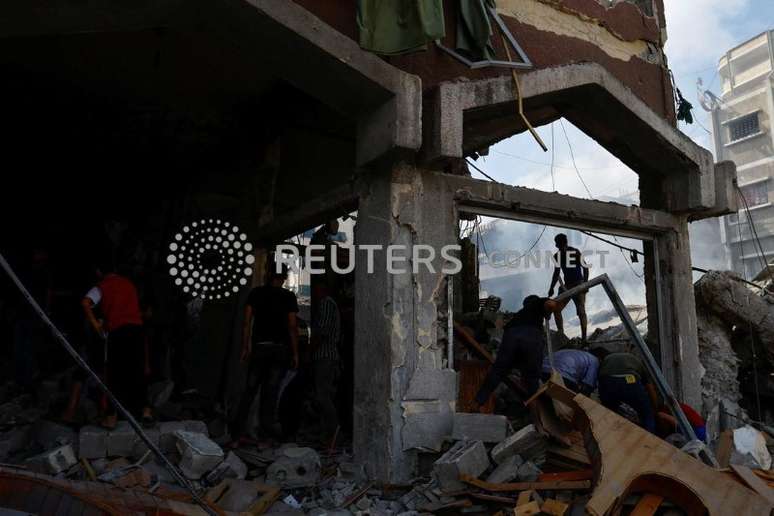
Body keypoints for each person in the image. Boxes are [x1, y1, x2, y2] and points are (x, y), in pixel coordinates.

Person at [81, 258, 151, 429]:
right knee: (137, 370)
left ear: (98, 272)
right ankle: (146, 411)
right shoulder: (129, 284)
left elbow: (85, 303)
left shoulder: (103, 286)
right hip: (137, 330)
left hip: (118, 331)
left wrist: (96, 324)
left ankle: (111, 417)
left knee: (114, 373)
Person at [233, 263, 299, 442]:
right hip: (279, 350)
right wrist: (295, 353)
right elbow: (292, 326)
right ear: (284, 278)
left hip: (260, 348)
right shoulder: (288, 297)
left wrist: (245, 347)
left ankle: (237, 435)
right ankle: (265, 437)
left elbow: (246, 323)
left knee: (250, 391)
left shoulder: (255, 293)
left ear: (268, 274)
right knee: (270, 394)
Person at [474, 294, 569, 407]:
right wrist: (548, 314)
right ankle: (536, 410)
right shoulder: (538, 302)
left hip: (511, 335)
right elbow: (552, 304)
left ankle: (477, 402)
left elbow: (505, 328)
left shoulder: (520, 314)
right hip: (531, 336)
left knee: (498, 371)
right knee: (532, 376)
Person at [591, 348, 658, 433]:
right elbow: (650, 388)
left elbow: (598, 379)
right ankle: (650, 440)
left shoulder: (608, 358)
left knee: (609, 412)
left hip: (606, 381)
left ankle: (608, 435)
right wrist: (655, 410)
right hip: (629, 380)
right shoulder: (638, 362)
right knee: (647, 415)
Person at [310, 281, 341, 445]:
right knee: (323, 396)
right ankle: (327, 434)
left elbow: (322, 332)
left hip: (325, 356)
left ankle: (333, 431)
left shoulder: (326, 304)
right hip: (325, 356)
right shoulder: (326, 304)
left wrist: (310, 349)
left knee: (323, 396)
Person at [548, 234, 589, 342]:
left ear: (565, 243)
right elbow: (556, 273)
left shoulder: (575, 252)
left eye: (561, 244)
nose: (560, 247)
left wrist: (585, 284)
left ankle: (584, 339)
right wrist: (551, 287)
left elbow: (585, 268)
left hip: (579, 284)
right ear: (557, 245)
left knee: (581, 311)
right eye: (558, 245)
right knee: (556, 309)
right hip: (567, 286)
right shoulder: (557, 256)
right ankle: (561, 335)